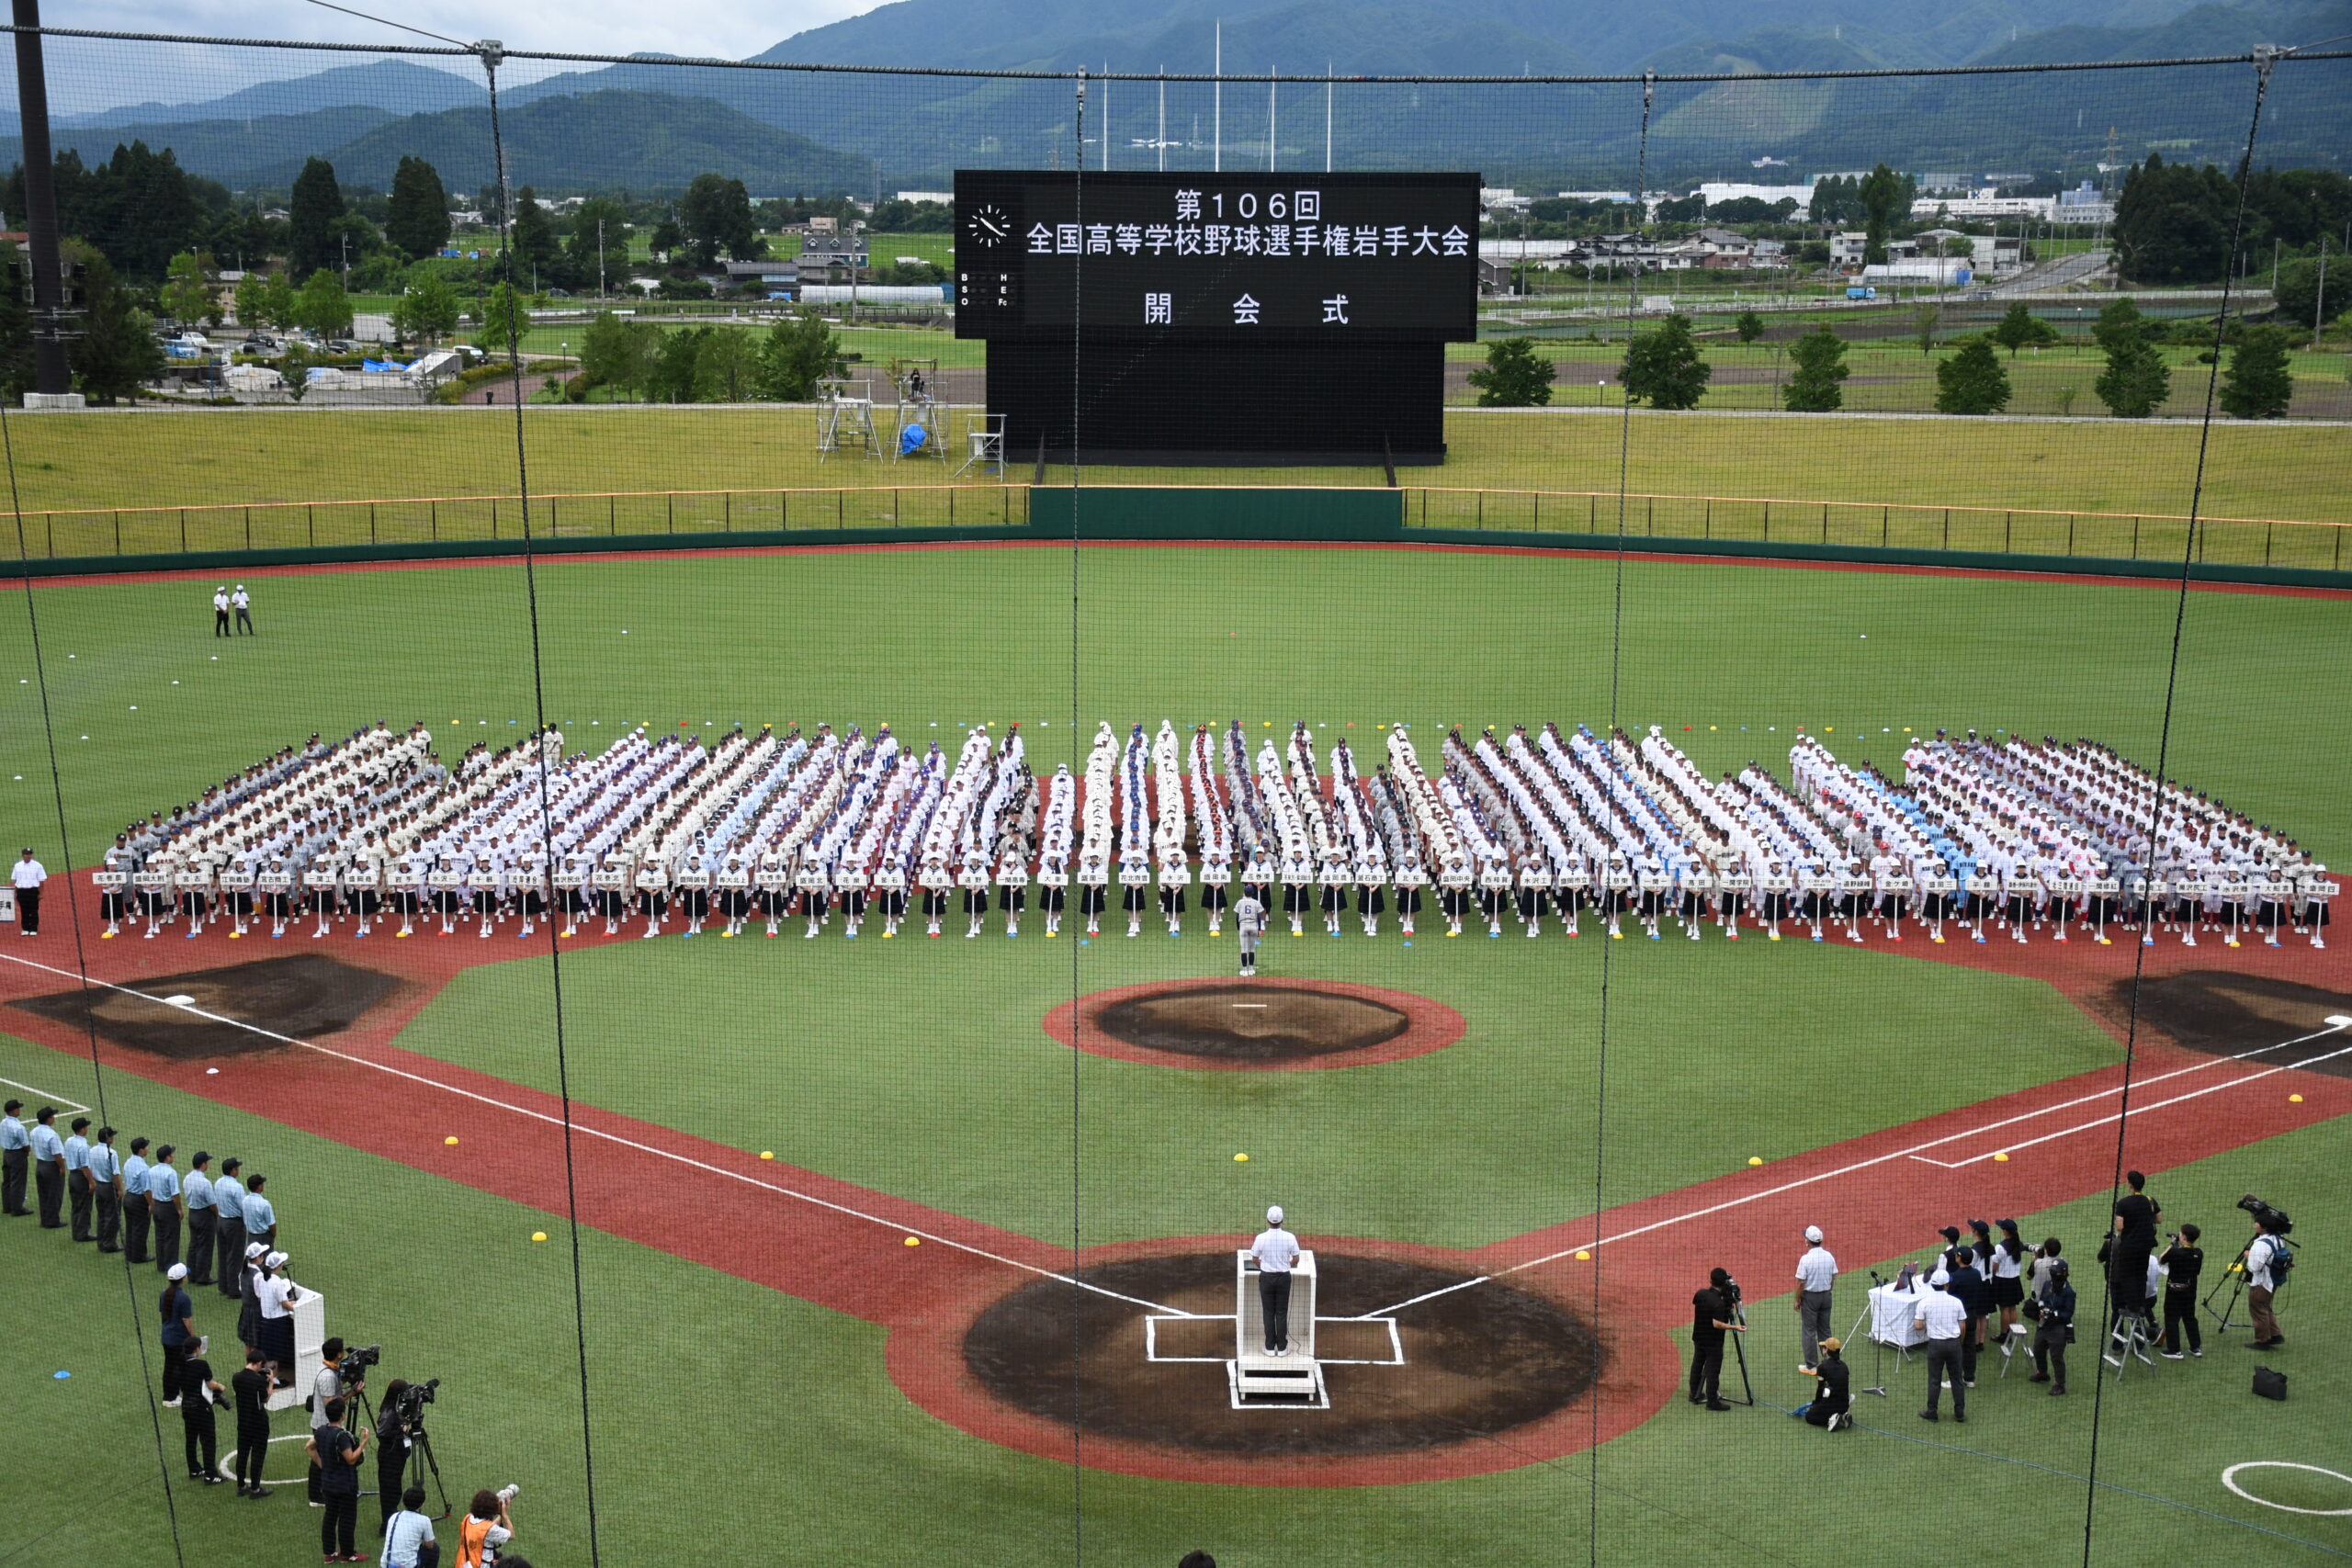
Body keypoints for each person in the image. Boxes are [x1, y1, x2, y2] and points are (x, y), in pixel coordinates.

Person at [306, 1395, 368, 1562]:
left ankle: (329, 1553)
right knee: (347, 1519)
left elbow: (309, 1447)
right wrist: (363, 1443)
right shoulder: (342, 1436)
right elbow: (351, 1458)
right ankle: (347, 1554)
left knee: (330, 1516)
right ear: (342, 1415)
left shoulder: (320, 1431)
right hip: (345, 1485)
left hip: (327, 1483)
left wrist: (322, 1464)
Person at [1915, 1269, 1968, 1423]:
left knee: (1934, 1380)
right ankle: (1959, 1413)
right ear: (1947, 1285)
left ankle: (1932, 1412)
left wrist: (1929, 1322)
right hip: (1954, 1344)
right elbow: (1962, 1327)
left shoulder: (1924, 1302)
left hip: (1935, 1345)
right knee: (1957, 1379)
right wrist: (1960, 1342)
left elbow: (1918, 1325)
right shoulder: (1956, 1302)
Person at [2109, 1169, 2160, 1325]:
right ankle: (2141, 1305)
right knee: (2141, 1274)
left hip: (2130, 1246)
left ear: (2130, 1185)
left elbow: (2119, 1227)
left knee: (2128, 1276)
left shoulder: (2123, 1203)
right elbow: (2159, 1219)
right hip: (2147, 1245)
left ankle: (2132, 1307)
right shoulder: (2150, 1200)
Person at [1250, 1205, 1301, 1357]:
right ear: (1282, 1220)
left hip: (1266, 1278)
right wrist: (1285, 1265)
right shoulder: (1290, 1237)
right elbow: (1296, 1259)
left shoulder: (1261, 1238)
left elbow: (1254, 1259)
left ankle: (1270, 1347)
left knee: (1268, 1312)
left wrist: (1265, 1266)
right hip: (1284, 1278)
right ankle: (1283, 1348)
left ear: (1268, 1220)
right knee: (1281, 1312)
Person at [1689, 1267, 1742, 1411]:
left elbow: (1699, 1305)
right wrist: (1735, 1327)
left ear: (1710, 1280)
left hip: (1698, 1336)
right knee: (1713, 1370)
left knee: (1697, 1364)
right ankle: (1712, 1402)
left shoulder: (1700, 1294)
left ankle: (1694, 1392)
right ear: (1724, 1282)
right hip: (1713, 1342)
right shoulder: (1719, 1304)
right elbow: (1717, 1324)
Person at [311, 1337, 356, 1505]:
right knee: (319, 1460)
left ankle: (318, 1492)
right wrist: (352, 1393)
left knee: (322, 1457)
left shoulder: (326, 1369)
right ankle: (316, 1496)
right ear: (338, 1354)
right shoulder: (328, 1376)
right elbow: (332, 1405)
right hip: (324, 1425)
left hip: (322, 1423)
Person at [179, 1334, 228, 1483]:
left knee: (191, 1439)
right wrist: (220, 1386)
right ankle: (210, 1474)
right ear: (197, 1349)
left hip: (186, 1406)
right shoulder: (201, 1364)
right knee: (208, 1440)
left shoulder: (179, 1364)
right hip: (201, 1408)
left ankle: (194, 1469)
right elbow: (210, 1384)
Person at [231, 1342, 276, 1498]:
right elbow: (265, 1400)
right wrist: (271, 1382)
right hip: (258, 1423)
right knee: (257, 1454)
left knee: (242, 1453)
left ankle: (241, 1486)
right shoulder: (259, 1381)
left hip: (243, 1422)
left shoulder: (236, 1377)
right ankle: (256, 1489)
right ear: (258, 1363)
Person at [2027, 1257, 2076, 1394]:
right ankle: (2042, 1373)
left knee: (2056, 1356)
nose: (2053, 1275)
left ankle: (2060, 1384)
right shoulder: (2047, 1285)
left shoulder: (2069, 1293)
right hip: (2044, 1325)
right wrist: (2042, 1309)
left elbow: (2068, 1312)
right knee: (2038, 1349)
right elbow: (2042, 1299)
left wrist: (2054, 1314)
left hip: (2058, 1328)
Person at [1792, 1224, 1837, 1371]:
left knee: (1809, 1331)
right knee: (1825, 1330)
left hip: (1810, 1298)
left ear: (1808, 1241)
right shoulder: (1829, 1256)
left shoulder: (1806, 1259)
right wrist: (1828, 1289)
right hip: (1826, 1296)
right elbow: (1834, 1276)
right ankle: (1830, 1361)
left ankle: (1811, 1365)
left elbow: (1801, 1283)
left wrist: (1797, 1300)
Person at [376, 1381, 415, 1535]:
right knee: (389, 1488)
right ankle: (387, 1525)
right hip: (389, 1453)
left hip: (395, 1453)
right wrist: (401, 1429)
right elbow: (382, 1433)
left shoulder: (395, 1408)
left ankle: (390, 1519)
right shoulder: (389, 1412)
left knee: (394, 1487)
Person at [2159, 1223, 2203, 1359]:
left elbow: (2161, 1259)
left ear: (2183, 1236)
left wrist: (2172, 1243)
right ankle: (2195, 1347)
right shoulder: (2198, 1253)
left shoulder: (2175, 1252)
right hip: (2190, 1291)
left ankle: (2174, 1350)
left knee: (2172, 1318)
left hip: (2174, 1292)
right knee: (2189, 1317)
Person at [2245, 1212, 2287, 1350]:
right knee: (2266, 1307)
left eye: (2257, 1223)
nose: (2255, 1225)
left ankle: (2262, 1341)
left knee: (2258, 1309)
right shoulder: (2278, 1239)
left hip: (2261, 1283)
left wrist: (2248, 1255)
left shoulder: (2260, 1244)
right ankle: (2275, 1334)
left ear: (2264, 1227)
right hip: (2273, 1280)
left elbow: (2254, 1267)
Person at [1792, 1337, 1851, 1431]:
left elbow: (1820, 1388)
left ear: (1826, 1350)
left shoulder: (1822, 1367)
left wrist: (1816, 1403)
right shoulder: (1844, 1366)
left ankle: (1831, 1419)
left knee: (1809, 1417)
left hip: (1831, 1404)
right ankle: (1843, 1416)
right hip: (1845, 1404)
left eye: (1824, 1347)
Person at [159, 1262, 197, 1407]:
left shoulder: (164, 1294)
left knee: (170, 1366)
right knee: (176, 1367)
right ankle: (171, 1397)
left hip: (166, 1336)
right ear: (182, 1278)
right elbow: (186, 1320)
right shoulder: (183, 1298)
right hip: (178, 1339)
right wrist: (193, 1337)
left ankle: (172, 1395)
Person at [457, 1486, 516, 1568]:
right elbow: (511, 1535)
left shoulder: (467, 1518)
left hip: (462, 1564)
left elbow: (486, 1530)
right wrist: (504, 1516)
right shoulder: (488, 1529)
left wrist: (501, 1514)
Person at [213, 1158, 248, 1299]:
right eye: (237, 1168)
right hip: (234, 1224)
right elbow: (243, 1207)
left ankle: (223, 1286)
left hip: (221, 1221)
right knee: (235, 1256)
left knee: (223, 1254)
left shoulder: (218, 1182)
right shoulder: (236, 1187)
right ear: (233, 1170)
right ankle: (234, 1290)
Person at [382, 1484, 438, 1568]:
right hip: (406, 1566)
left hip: (386, 1564)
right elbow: (430, 1545)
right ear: (421, 1504)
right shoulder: (424, 1520)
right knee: (435, 1549)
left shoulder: (394, 1516)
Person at [184, 1151, 219, 1286]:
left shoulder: (187, 1178)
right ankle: (203, 1276)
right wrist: (217, 1215)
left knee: (193, 1245)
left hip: (192, 1213)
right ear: (203, 1164)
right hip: (204, 1216)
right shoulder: (205, 1183)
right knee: (205, 1246)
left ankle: (191, 1274)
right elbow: (212, 1204)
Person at [148, 1143, 184, 1271]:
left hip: (156, 1205)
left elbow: (148, 1189)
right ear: (167, 1157)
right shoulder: (171, 1173)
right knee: (171, 1237)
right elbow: (175, 1194)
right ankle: (170, 1265)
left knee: (160, 1236)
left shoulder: (151, 1170)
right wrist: (179, 1209)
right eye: (171, 1154)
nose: (172, 1156)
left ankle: (161, 1265)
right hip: (168, 1208)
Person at [88, 1125, 123, 1252]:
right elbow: (115, 1174)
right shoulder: (112, 1153)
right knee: (112, 1216)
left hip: (98, 1186)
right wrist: (119, 1189)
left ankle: (101, 1242)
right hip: (109, 1187)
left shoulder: (92, 1150)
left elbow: (90, 1168)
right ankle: (109, 1244)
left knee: (102, 1214)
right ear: (108, 1138)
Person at [30, 1106, 65, 1227]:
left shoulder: (34, 1131)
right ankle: (52, 1221)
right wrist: (62, 1167)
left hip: (40, 1164)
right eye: (52, 1116)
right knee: (54, 1194)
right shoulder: (52, 1135)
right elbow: (57, 1154)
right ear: (48, 1119)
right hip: (51, 1167)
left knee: (43, 1193)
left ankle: (45, 1219)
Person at [63, 1115, 94, 1242]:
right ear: (82, 1129)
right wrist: (91, 1182)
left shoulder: (69, 1141)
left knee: (76, 1205)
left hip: (72, 1176)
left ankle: (76, 1232)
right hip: (81, 1178)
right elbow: (85, 1166)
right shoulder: (83, 1146)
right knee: (84, 1206)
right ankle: (82, 1234)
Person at [124, 1136, 153, 1261]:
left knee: (130, 1227)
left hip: (128, 1197)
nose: (147, 1149)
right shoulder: (143, 1168)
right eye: (146, 1146)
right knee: (140, 1228)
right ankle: (139, 1256)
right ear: (141, 1150)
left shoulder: (128, 1162)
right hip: (138, 1200)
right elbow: (146, 1189)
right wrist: (151, 1204)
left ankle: (129, 1253)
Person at [0, 1098, 28, 1216]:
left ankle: (7, 1207)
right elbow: (26, 1144)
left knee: (7, 1181)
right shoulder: (18, 1127)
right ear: (13, 1111)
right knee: (18, 1182)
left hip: (6, 1154)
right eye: (18, 1108)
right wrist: (26, 1152)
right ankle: (17, 1209)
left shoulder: (3, 1122)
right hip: (17, 1155)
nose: (19, 1110)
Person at [11, 848, 46, 936]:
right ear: (23, 855)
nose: (28, 856)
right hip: (21, 891)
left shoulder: (38, 865)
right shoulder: (17, 866)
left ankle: (34, 928)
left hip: (33, 891)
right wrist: (15, 893)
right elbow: (16, 881)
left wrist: (41, 893)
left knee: (33, 910)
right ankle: (25, 928)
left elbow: (41, 881)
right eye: (26, 854)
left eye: (30, 854)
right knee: (24, 910)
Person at [1233, 887, 1266, 977]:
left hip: (1243, 925)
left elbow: (1237, 916)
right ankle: (1251, 969)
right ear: (1253, 893)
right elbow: (1259, 917)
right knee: (1252, 949)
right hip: (1253, 926)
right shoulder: (1256, 902)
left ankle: (1244, 971)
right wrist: (1259, 929)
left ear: (1244, 892)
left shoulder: (1240, 902)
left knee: (1244, 949)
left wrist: (1238, 928)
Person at [242, 1171, 278, 1248]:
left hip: (251, 1237)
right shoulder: (265, 1204)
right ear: (259, 1187)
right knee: (266, 1259)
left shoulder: (245, 1200)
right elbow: (272, 1225)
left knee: (253, 1259)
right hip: (264, 1238)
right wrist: (272, 1237)